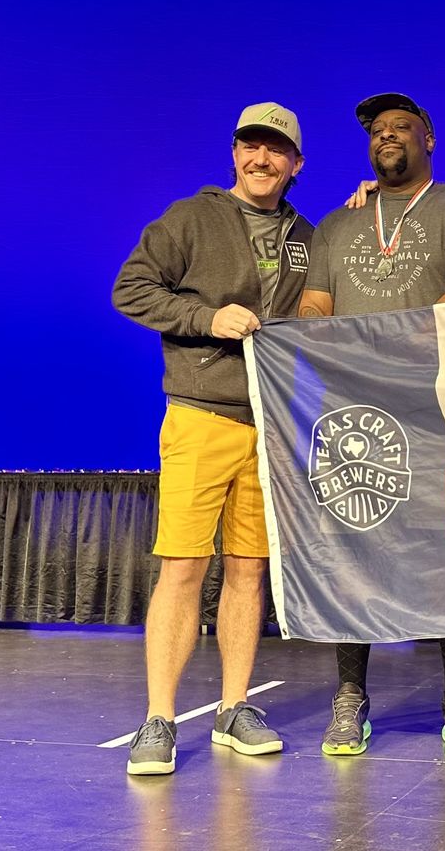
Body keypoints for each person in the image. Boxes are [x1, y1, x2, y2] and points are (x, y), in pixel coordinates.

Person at [298, 91, 445, 760]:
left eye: (401, 127)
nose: (386, 136)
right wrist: (336, 350)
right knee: (351, 548)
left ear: (429, 138)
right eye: (377, 131)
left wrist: (373, 354)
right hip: (354, 414)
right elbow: (313, 307)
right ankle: (349, 694)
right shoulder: (337, 224)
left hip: (438, 410)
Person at [111, 102, 315, 776]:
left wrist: (361, 213)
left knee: (250, 570)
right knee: (184, 567)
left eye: (276, 150)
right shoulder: (191, 218)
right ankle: (158, 719)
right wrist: (203, 316)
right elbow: (131, 290)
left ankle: (234, 708)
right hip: (201, 415)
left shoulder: (307, 236)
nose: (262, 158)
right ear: (234, 154)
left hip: (270, 423)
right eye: (251, 146)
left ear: (296, 165)